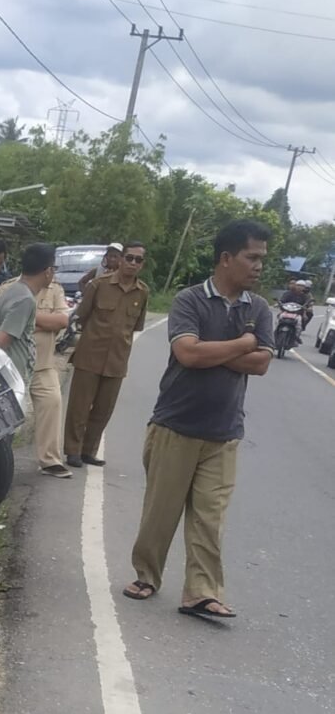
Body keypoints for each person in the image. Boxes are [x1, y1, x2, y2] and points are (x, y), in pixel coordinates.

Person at [123, 219, 275, 620]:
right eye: (252, 257)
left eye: (262, 258)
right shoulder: (190, 300)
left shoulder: (258, 308)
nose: (259, 266)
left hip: (225, 433)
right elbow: (188, 354)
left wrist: (215, 351)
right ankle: (147, 576)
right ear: (226, 258)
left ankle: (201, 592)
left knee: (210, 519)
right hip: (176, 424)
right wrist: (242, 343)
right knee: (161, 512)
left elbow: (261, 364)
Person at [63, 241, 150, 468]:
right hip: (90, 355)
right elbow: (81, 316)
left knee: (103, 410)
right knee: (79, 408)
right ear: (121, 259)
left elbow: (136, 326)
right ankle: (72, 450)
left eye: (138, 260)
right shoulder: (98, 285)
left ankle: (88, 451)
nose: (132, 263)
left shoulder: (142, 293)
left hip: (117, 360)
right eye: (129, 258)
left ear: (142, 264)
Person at [1, 272, 73, 477]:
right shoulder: (9, 288)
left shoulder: (55, 289)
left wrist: (27, 316)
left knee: (52, 402)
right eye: (49, 267)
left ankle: (49, 461)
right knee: (6, 413)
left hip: (43, 364)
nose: (52, 272)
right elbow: (6, 322)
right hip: (14, 365)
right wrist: (44, 321)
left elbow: (62, 321)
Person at [0, 242, 57, 385]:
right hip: (12, 378)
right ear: (48, 271)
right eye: (54, 269)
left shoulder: (13, 291)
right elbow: (1, 342)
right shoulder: (24, 300)